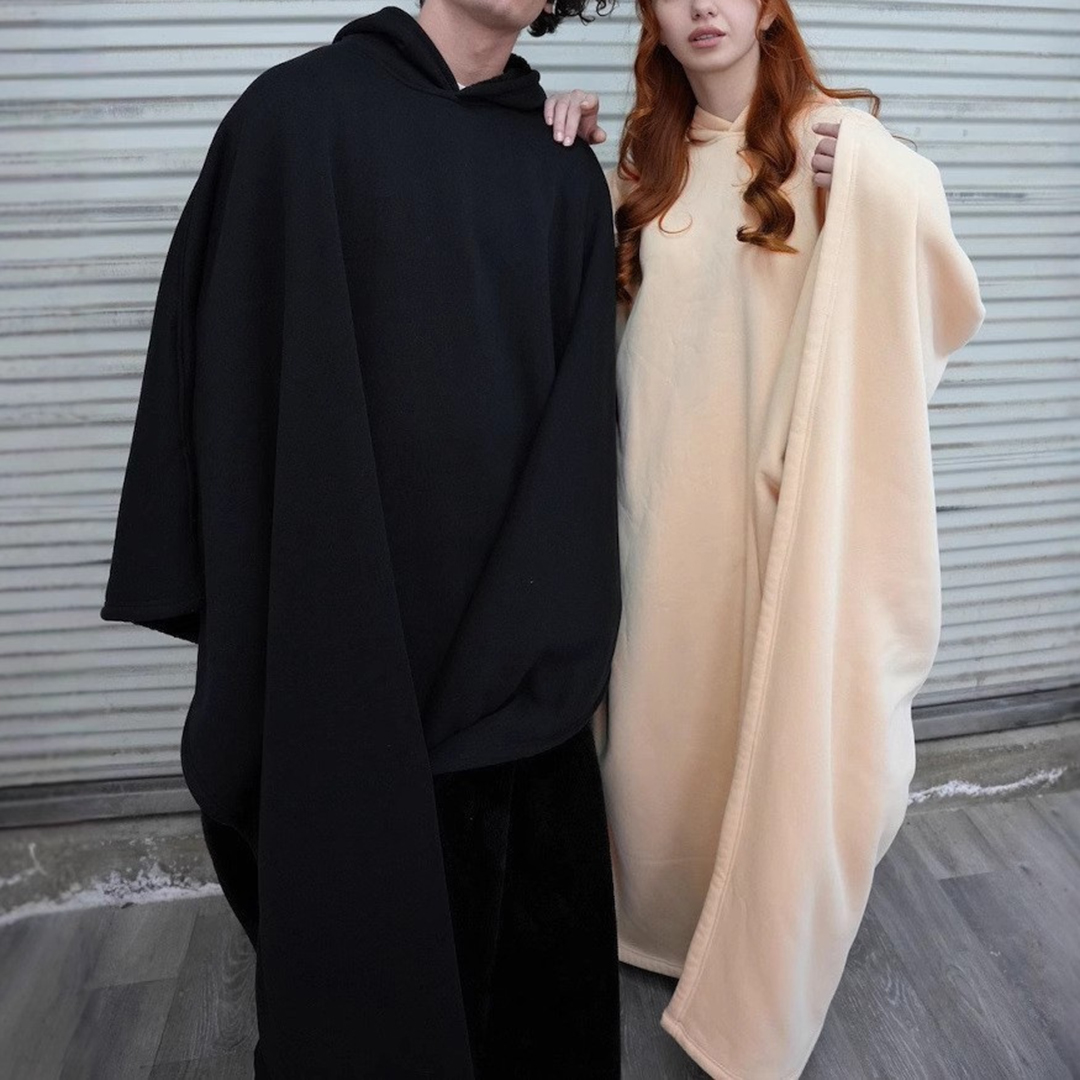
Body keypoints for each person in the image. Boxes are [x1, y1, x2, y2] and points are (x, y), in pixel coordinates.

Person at [99, 1, 626, 1076]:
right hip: (334, 627)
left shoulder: (562, 172)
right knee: (355, 986)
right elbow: (218, 360)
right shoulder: (294, 121)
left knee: (532, 994)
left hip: (509, 649)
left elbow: (582, 416)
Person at [544, 1, 985, 1077]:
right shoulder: (642, 167)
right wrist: (556, 148)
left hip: (783, 524)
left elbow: (941, 302)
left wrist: (878, 179)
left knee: (784, 729)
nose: (703, 6)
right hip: (658, 515)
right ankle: (667, 925)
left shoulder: (832, 147)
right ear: (649, 16)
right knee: (661, 738)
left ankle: (759, 962)